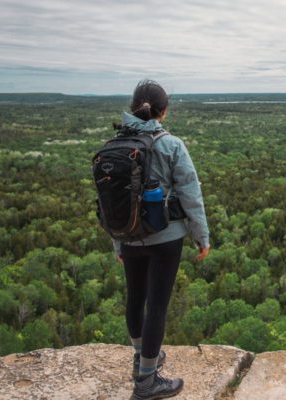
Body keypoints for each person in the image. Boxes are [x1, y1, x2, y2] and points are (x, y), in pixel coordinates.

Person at [112, 79, 210, 400]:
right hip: (166, 238)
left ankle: (141, 360)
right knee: (156, 306)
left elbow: (111, 202)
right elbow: (190, 194)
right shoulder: (171, 145)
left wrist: (118, 243)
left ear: (133, 108)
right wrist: (201, 237)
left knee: (134, 298)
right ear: (163, 112)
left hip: (128, 236)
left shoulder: (116, 145)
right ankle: (147, 382)